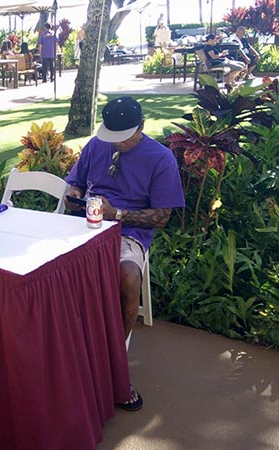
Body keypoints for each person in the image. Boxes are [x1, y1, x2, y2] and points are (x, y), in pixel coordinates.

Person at [64, 97, 185, 412]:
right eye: (112, 136)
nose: (116, 142)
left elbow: (161, 217)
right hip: (82, 226)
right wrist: (74, 195)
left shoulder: (160, 158)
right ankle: (61, 351)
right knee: (45, 268)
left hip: (126, 232)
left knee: (128, 276)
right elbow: (75, 183)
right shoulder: (96, 145)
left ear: (141, 127)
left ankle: (113, 358)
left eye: (124, 137)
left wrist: (116, 213)